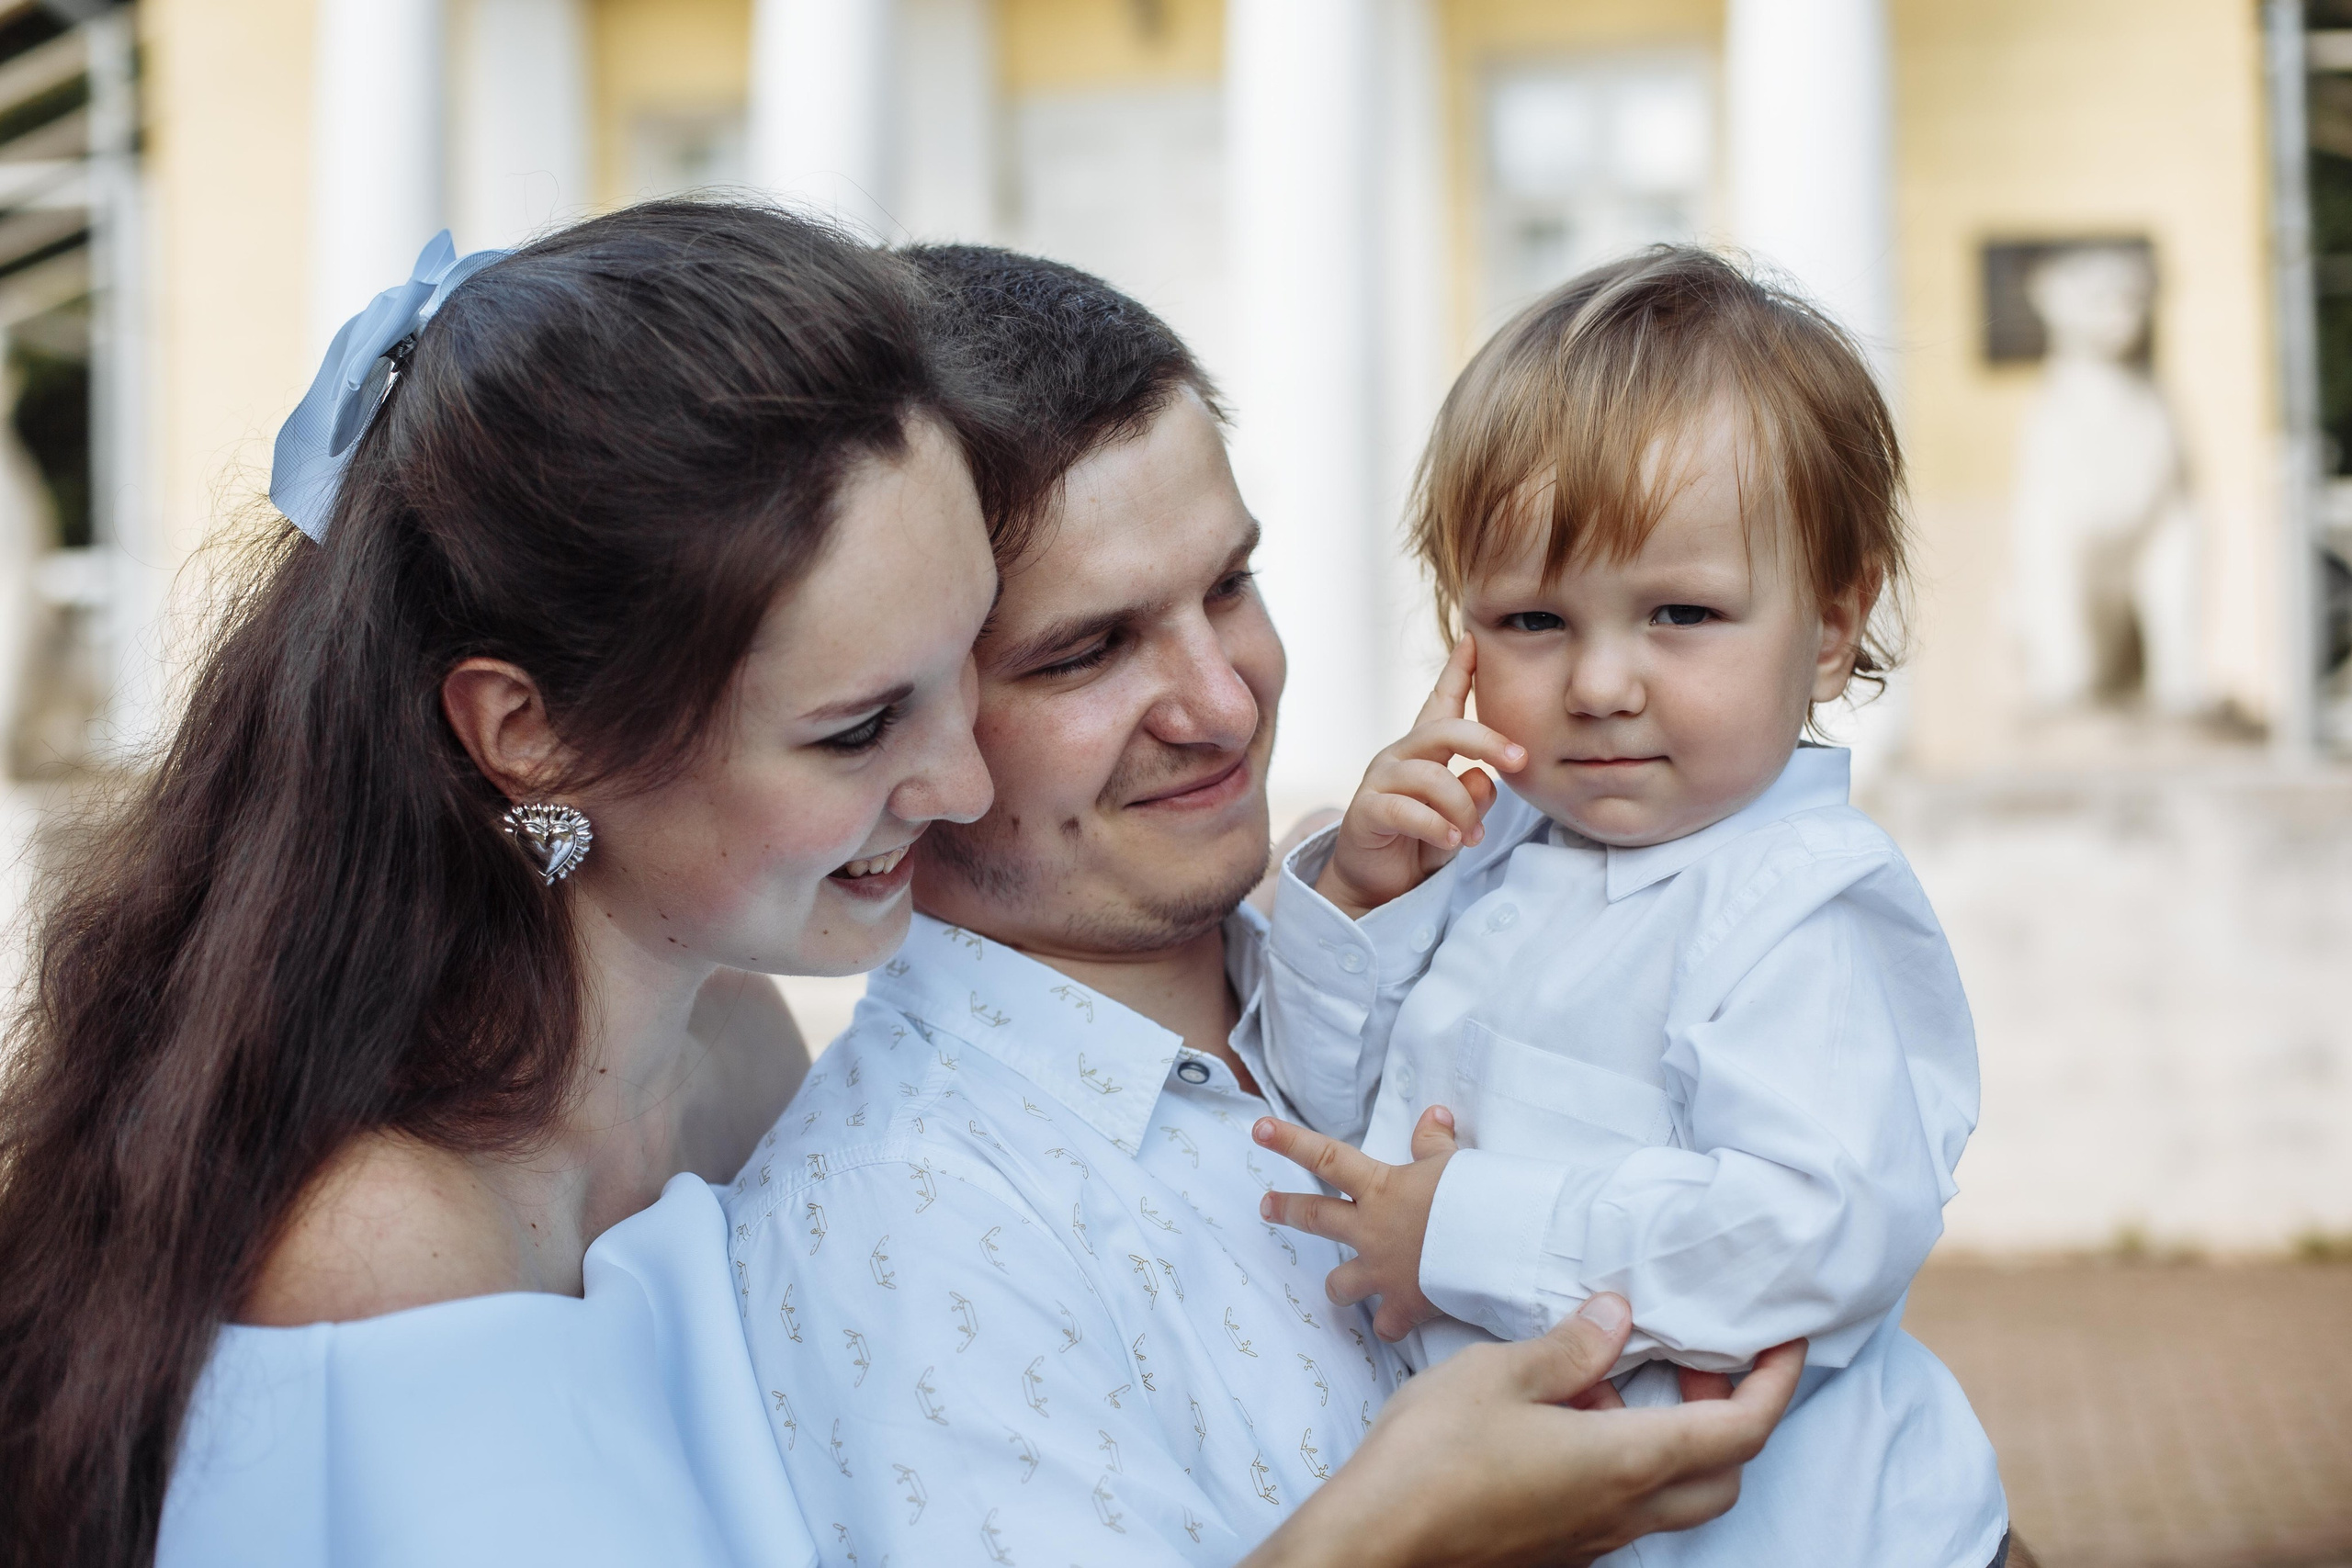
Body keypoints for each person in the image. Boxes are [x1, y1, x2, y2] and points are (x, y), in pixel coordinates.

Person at [0, 205, 1794, 1568]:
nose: (948, 783)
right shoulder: (388, 1246)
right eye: (863, 720)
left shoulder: (728, 1058)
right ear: (529, 736)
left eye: (957, 672)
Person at [725, 244, 1804, 1568]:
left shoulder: (1473, 923)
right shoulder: (904, 1227)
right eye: (1087, 651)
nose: (1227, 704)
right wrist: (1405, 1544)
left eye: (1229, 586)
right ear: (898, 713)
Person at [1251, 246, 2014, 1565]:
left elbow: (1815, 1232)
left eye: (1681, 612)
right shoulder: (1485, 858)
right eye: (1533, 621)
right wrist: (1365, 898)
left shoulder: (1803, 908)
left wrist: (1462, 1230)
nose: (1601, 684)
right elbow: (1324, 1120)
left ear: (1832, 628)